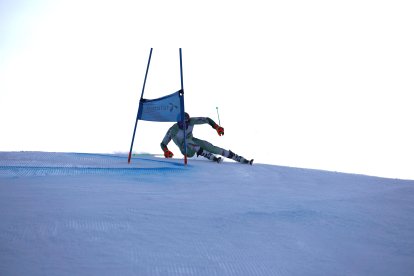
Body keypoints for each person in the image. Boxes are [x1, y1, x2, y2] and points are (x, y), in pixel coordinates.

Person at [160, 112, 253, 164]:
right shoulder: (173, 130)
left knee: (207, 145)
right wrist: (166, 151)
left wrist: (216, 127)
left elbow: (207, 119)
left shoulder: (192, 121)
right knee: (187, 141)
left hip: (193, 142)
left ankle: (235, 157)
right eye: (182, 124)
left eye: (186, 123)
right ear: (178, 123)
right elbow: (163, 143)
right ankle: (207, 155)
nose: (185, 125)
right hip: (185, 149)